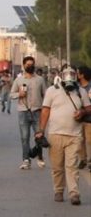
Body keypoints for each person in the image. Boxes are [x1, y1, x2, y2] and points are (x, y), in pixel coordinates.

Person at [37, 67, 90, 205]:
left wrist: (82, 112)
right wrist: (41, 130)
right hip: (55, 134)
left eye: (72, 75)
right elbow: (45, 111)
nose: (70, 77)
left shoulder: (81, 91)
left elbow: (88, 107)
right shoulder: (52, 91)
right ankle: (59, 190)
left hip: (75, 135)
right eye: (67, 75)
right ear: (61, 76)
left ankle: (74, 193)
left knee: (71, 166)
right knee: (57, 166)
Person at [11, 56, 47, 170]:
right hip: (23, 112)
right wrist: (19, 95)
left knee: (39, 136)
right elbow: (11, 94)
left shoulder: (40, 79)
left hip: (37, 111)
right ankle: (26, 159)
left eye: (32, 64)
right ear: (24, 65)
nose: (30, 66)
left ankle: (40, 157)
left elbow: (45, 95)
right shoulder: (19, 80)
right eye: (28, 65)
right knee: (24, 137)